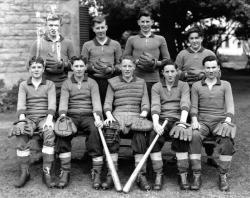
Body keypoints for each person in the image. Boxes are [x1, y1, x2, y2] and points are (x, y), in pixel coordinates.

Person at [103, 56, 152, 191]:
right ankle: (111, 174)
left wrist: (142, 115)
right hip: (118, 115)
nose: (127, 69)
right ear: (120, 67)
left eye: (130, 66)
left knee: (141, 134)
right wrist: (109, 116)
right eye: (124, 66)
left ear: (134, 67)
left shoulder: (141, 82)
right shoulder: (112, 82)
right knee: (110, 132)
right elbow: (107, 103)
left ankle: (140, 174)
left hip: (136, 115)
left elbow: (145, 103)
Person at [55, 56, 104, 189]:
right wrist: (63, 117)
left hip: (89, 115)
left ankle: (97, 172)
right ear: (72, 67)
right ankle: (65, 172)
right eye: (76, 66)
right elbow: (63, 103)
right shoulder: (67, 83)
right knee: (63, 132)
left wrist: (98, 117)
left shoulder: (92, 83)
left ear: (85, 67)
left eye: (81, 66)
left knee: (95, 131)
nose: (79, 69)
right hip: (72, 116)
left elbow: (96, 102)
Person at [190, 55, 236, 191]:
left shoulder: (226, 85)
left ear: (218, 68)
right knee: (194, 136)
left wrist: (227, 121)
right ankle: (197, 174)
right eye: (208, 68)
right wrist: (194, 120)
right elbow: (194, 107)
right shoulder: (196, 85)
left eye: (213, 67)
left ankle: (223, 175)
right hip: (202, 121)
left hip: (219, 121)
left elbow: (230, 106)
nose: (210, 70)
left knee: (227, 140)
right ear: (204, 69)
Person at [12, 56, 56, 188]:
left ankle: (46, 172)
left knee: (49, 132)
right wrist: (22, 121)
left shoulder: (49, 84)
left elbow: (52, 104)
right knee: (21, 132)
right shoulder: (24, 85)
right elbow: (21, 105)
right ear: (29, 69)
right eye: (33, 67)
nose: (36, 70)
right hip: (29, 118)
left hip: (44, 117)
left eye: (39, 67)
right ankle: (25, 172)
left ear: (43, 69)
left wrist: (49, 120)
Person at [175, 26, 217, 165]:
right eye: (191, 38)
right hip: (187, 91)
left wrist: (202, 74)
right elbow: (174, 73)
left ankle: (210, 155)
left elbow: (218, 73)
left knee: (204, 120)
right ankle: (182, 154)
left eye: (197, 38)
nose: (194, 41)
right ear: (188, 40)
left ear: (201, 38)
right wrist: (186, 74)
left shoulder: (209, 52)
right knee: (186, 120)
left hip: (205, 91)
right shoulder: (182, 54)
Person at [149, 60, 191, 190]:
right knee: (153, 137)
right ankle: (158, 173)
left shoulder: (184, 85)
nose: (170, 74)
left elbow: (185, 104)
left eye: (172, 71)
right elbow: (155, 105)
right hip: (161, 119)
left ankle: (182, 173)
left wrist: (182, 123)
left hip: (178, 119)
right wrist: (156, 124)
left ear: (177, 72)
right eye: (167, 71)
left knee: (181, 136)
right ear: (162, 73)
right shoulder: (156, 87)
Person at [28, 13, 75, 103]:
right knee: (46, 115)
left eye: (56, 25)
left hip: (63, 86)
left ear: (60, 26)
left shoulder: (68, 43)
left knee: (62, 114)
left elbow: (75, 65)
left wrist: (62, 64)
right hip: (44, 85)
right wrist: (42, 64)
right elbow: (28, 65)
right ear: (46, 25)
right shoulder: (37, 44)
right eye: (50, 25)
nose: (53, 28)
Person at [123, 10, 171, 98]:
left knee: (154, 104)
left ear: (152, 22)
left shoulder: (160, 39)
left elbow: (167, 59)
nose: (145, 24)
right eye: (142, 22)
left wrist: (155, 63)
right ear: (138, 23)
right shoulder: (132, 39)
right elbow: (126, 56)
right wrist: (136, 61)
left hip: (154, 79)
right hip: (136, 78)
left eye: (147, 21)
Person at [81, 15, 122, 105]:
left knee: (109, 104)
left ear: (106, 28)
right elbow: (83, 64)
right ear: (93, 29)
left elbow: (120, 64)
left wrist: (112, 69)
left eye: (102, 27)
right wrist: (93, 68)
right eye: (98, 28)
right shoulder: (87, 45)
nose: (100, 30)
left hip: (110, 79)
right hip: (93, 79)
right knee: (95, 104)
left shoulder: (115, 44)